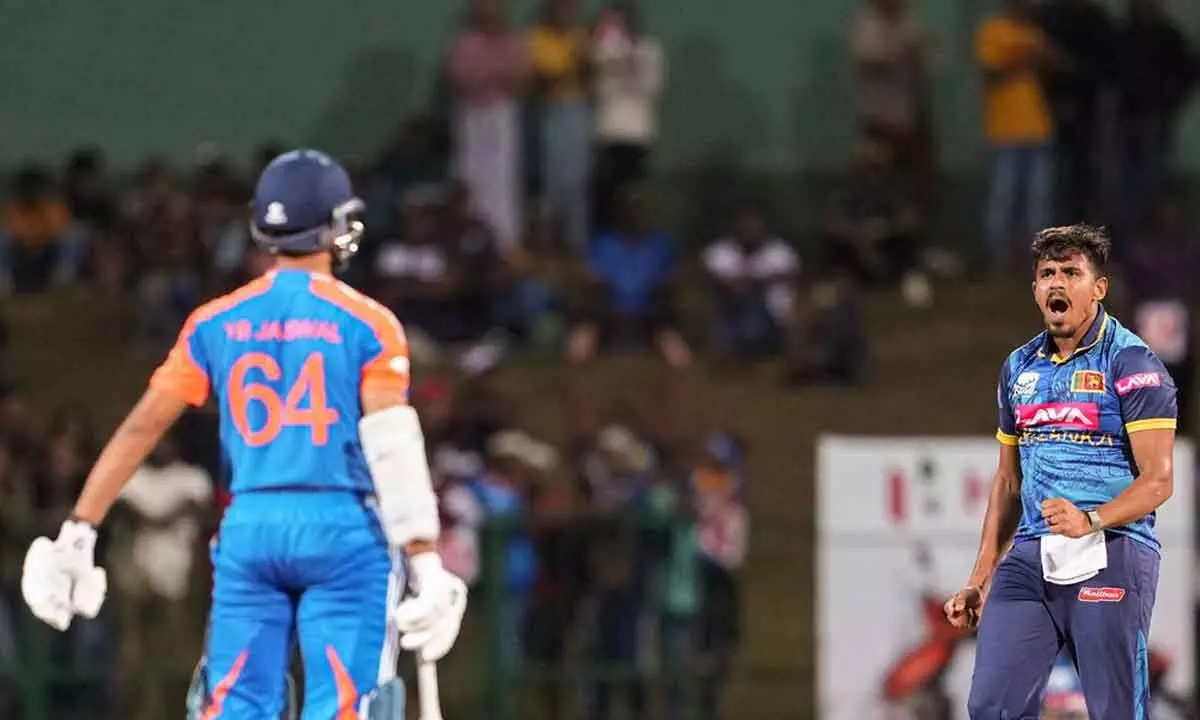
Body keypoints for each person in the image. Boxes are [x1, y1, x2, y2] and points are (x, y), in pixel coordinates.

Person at [19, 149, 468, 719]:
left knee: (234, 706)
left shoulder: (215, 321)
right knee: (347, 708)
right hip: (343, 528)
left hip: (251, 526)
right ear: (333, 224)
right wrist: (425, 559)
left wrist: (79, 531)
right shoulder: (369, 322)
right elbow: (391, 443)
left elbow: (141, 427)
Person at [944, 225, 1177, 719]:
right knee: (991, 706)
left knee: (1115, 708)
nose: (1057, 283)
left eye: (1072, 273)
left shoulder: (1133, 362)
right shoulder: (1018, 368)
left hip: (1111, 550)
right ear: (1034, 289)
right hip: (1030, 556)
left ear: (1099, 288)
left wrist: (1091, 520)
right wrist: (981, 577)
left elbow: (1159, 480)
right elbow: (1008, 480)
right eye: (1047, 273)